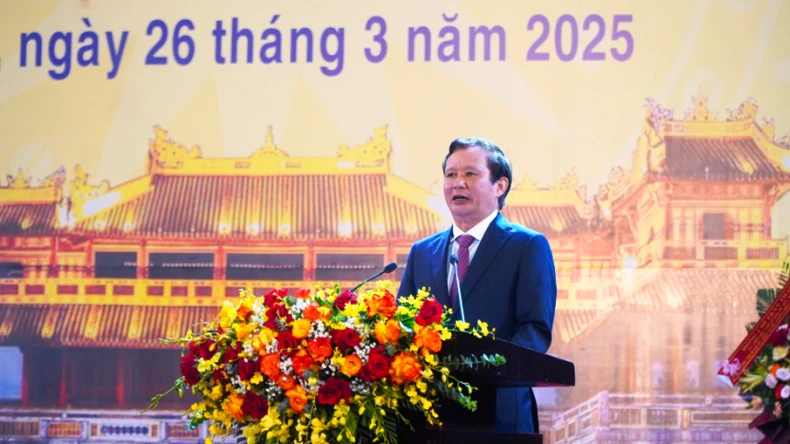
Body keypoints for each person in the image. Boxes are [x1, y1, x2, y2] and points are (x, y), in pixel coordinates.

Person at [397, 137, 557, 434]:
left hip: (499, 414)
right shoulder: (422, 252)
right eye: (451, 175)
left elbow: (534, 331)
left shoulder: (527, 246)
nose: (458, 183)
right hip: (427, 416)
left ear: (500, 186)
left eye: (470, 174)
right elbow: (401, 325)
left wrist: (482, 365)